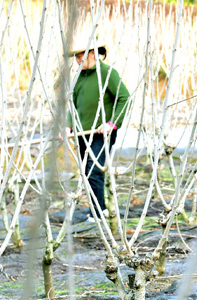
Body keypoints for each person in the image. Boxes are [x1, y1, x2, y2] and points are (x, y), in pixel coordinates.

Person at [67, 40, 130, 222]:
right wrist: (67, 125)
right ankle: (96, 210)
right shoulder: (79, 76)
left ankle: (99, 212)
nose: (78, 60)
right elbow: (71, 103)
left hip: (101, 133)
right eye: (76, 57)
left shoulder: (107, 73)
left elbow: (124, 98)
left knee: (94, 170)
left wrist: (111, 123)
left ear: (93, 54)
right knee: (86, 172)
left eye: (81, 56)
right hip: (81, 134)